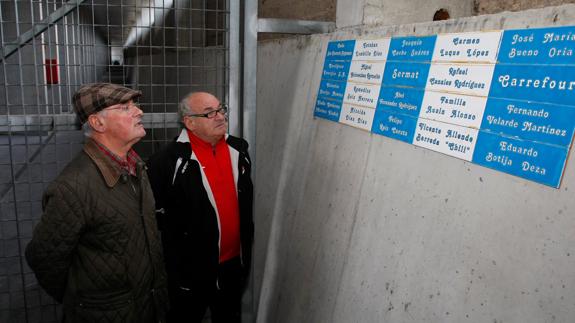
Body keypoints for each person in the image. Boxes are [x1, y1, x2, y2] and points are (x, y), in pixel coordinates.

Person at [25, 83, 169, 323]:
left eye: (135, 105)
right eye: (125, 108)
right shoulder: (73, 187)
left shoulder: (136, 166)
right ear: (97, 123)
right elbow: (44, 259)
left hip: (149, 307)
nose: (139, 112)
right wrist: (87, 303)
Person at [147, 92, 254, 323]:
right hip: (190, 272)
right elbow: (154, 221)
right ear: (190, 122)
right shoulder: (166, 163)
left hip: (233, 265)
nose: (220, 117)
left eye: (221, 109)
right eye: (209, 113)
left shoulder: (239, 151)